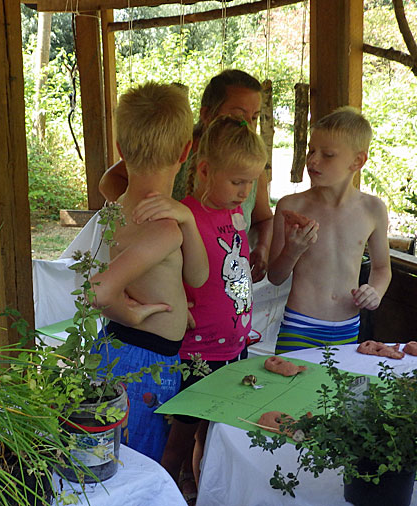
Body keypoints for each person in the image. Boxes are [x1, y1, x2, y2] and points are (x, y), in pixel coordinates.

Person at [132, 116, 267, 502]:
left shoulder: (233, 214)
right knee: (180, 436)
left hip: (235, 347)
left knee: (217, 434)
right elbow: (163, 270)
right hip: (198, 352)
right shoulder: (181, 214)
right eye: (237, 181)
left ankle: (205, 491)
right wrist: (177, 300)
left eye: (251, 182)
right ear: (205, 170)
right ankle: (163, 494)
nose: (245, 191)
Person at [91, 82, 209, 463]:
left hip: (123, 352)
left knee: (111, 457)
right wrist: (133, 313)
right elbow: (99, 291)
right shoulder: (164, 229)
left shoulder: (118, 201)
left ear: (120, 150)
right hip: (142, 363)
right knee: (135, 461)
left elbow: (193, 278)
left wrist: (186, 218)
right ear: (186, 152)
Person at [98, 69, 273, 284]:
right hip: (170, 272)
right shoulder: (173, 150)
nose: (248, 125)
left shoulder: (250, 167)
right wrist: (145, 216)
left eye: (254, 117)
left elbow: (264, 219)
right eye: (238, 115)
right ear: (206, 114)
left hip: (223, 281)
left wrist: (262, 248)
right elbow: (110, 181)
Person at [268, 107, 391, 353]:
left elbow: (382, 268)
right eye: (311, 150)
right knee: (289, 379)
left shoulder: (372, 209)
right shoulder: (291, 206)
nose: (313, 160)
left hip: (348, 326)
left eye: (328, 155)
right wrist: (292, 251)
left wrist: (375, 292)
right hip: (299, 324)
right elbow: (275, 276)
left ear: (358, 161)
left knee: (336, 381)